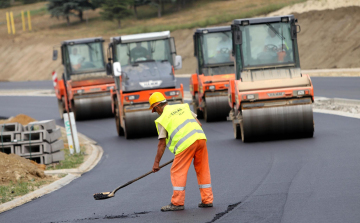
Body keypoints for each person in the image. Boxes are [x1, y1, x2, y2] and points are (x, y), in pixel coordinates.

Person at [149, 92, 214, 212]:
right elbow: (198, 123)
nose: (156, 112)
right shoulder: (182, 106)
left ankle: (177, 203)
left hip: (186, 145)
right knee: (203, 169)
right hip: (200, 138)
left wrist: (156, 163)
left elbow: (162, 144)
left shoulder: (162, 119)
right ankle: (207, 200)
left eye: (154, 110)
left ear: (157, 106)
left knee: (177, 171)